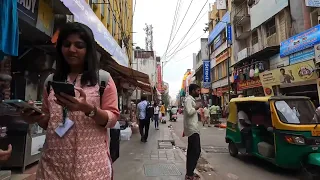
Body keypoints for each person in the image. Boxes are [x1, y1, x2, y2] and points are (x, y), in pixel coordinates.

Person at [20, 22, 120, 179]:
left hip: (91, 168)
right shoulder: (51, 81)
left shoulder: (102, 80)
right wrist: (35, 117)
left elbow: (112, 119)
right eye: (66, 44)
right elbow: (49, 121)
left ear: (88, 50)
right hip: (53, 167)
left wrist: (89, 109)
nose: (72, 49)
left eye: (79, 45)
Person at [183, 84, 201, 180]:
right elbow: (190, 112)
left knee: (192, 152)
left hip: (192, 129)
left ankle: (189, 173)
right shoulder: (189, 100)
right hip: (192, 129)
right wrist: (197, 107)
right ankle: (190, 174)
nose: (199, 92)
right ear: (193, 91)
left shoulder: (190, 100)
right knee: (196, 151)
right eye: (197, 90)